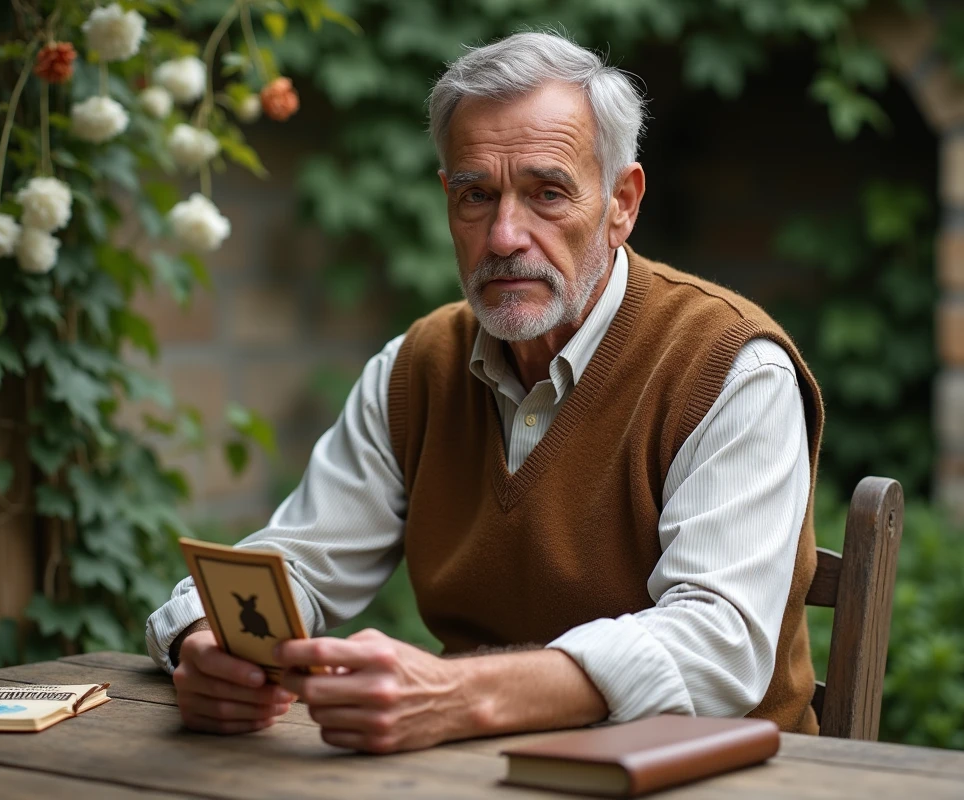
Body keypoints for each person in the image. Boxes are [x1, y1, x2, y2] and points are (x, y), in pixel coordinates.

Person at [147, 30, 824, 753]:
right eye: (476, 195)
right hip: (474, 773)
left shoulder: (729, 367)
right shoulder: (416, 369)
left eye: (547, 193)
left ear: (622, 202)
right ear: (447, 203)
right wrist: (204, 637)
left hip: (710, 777)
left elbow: (716, 646)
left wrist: (459, 696)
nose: (504, 235)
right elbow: (301, 560)